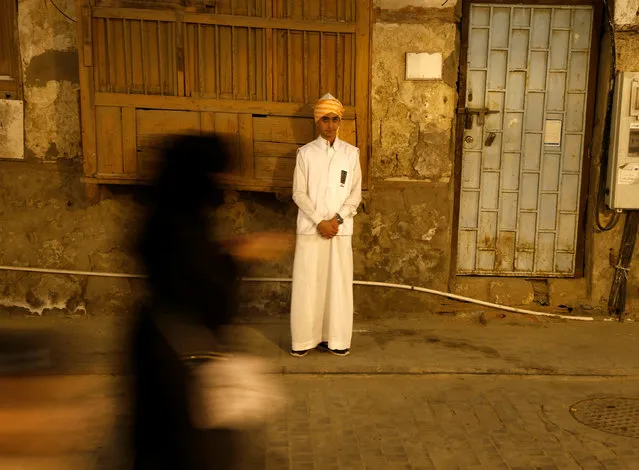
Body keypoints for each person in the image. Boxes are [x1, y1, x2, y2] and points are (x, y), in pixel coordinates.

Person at [131, 134, 289, 470]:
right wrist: (238, 256)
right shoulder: (180, 224)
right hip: (177, 362)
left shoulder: (166, 215)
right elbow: (206, 291)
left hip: (159, 348)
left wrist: (228, 251)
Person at [289, 93, 362, 358]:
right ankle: (303, 340)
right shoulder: (305, 154)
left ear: (340, 121)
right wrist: (320, 221)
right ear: (317, 122)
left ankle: (336, 339)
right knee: (309, 284)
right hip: (311, 230)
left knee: (338, 286)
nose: (330, 125)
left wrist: (336, 220)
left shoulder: (351, 154)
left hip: (340, 231)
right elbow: (299, 193)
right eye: (325, 120)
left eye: (334, 120)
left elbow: (355, 195)